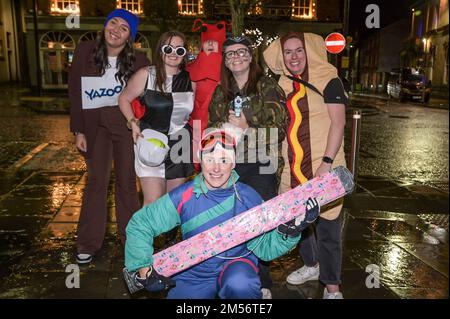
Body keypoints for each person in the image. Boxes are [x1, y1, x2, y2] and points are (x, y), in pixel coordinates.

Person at [123, 130, 320, 299]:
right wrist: (144, 268)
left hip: (237, 264)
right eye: (210, 159)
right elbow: (141, 224)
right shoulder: (184, 195)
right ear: (201, 161)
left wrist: (290, 231)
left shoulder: (248, 197)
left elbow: (265, 248)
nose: (216, 168)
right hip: (193, 270)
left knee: (241, 284)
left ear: (233, 163)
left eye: (224, 160)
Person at [263, 32, 348, 299]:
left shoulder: (329, 79)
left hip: (324, 163)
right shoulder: (280, 84)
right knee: (298, 222)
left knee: (328, 227)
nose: (294, 57)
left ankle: (332, 288)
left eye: (299, 50)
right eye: (287, 52)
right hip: (293, 167)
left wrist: (326, 161)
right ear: (281, 56)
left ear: (308, 51)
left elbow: (339, 123)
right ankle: (312, 265)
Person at [207, 36, 287, 298]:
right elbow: (213, 124)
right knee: (231, 220)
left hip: (262, 162)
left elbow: (279, 130)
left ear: (251, 56)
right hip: (230, 163)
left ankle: (263, 282)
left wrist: (247, 126)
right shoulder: (222, 91)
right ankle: (233, 275)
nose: (236, 57)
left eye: (241, 52)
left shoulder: (267, 86)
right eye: (230, 54)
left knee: (259, 222)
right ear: (226, 61)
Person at [69, 8, 150, 264]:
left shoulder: (139, 60)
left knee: (127, 183)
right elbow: (74, 91)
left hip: (125, 124)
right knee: (96, 181)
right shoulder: (84, 51)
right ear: (105, 25)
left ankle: (132, 241)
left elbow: (145, 96)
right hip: (94, 126)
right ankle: (88, 242)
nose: (116, 29)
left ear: (129, 37)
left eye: (124, 28)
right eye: (112, 22)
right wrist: (78, 129)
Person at [118, 30, 195, 207]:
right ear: (160, 50)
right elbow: (124, 98)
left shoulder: (190, 80)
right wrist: (132, 123)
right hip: (152, 140)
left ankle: (171, 236)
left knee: (173, 204)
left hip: (180, 143)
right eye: (169, 48)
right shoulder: (147, 74)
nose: (174, 54)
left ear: (184, 55)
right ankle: (142, 235)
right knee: (153, 202)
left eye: (179, 50)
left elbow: (196, 113)